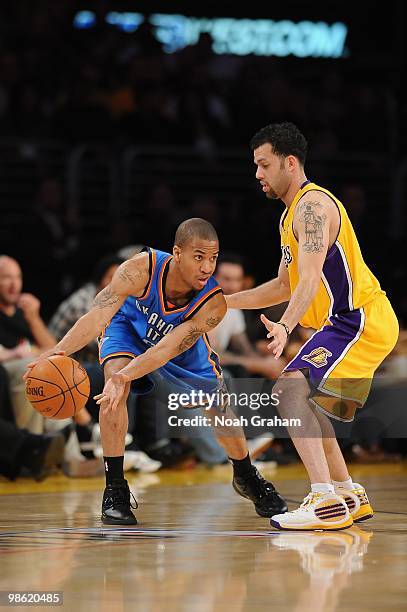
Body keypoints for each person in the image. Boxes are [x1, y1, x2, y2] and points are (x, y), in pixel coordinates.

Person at [25, 218, 287, 525]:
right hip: (128, 329)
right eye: (198, 257)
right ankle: (115, 489)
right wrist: (58, 351)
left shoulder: (212, 304)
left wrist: (125, 376)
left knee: (219, 405)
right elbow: (98, 315)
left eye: (212, 259)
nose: (206, 267)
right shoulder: (140, 268)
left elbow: (164, 351)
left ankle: (245, 474)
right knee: (114, 389)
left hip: (181, 346)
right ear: (177, 253)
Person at [226, 122, 399, 531]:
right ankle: (345, 494)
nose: (258, 175)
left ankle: (323, 501)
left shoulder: (312, 207)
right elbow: (284, 284)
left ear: (290, 162)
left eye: (264, 165)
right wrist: (223, 302)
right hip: (346, 322)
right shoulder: (291, 215)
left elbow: (307, 280)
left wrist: (286, 325)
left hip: (357, 319)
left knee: (288, 390)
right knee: (304, 399)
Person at [0, 255, 56, 433]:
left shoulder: (24, 312)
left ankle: (71, 453)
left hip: (29, 366)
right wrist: (16, 353)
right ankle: (32, 445)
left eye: (18, 277)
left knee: (58, 365)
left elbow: (54, 349)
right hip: (9, 369)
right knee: (30, 369)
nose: (14, 284)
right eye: (7, 277)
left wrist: (34, 318)